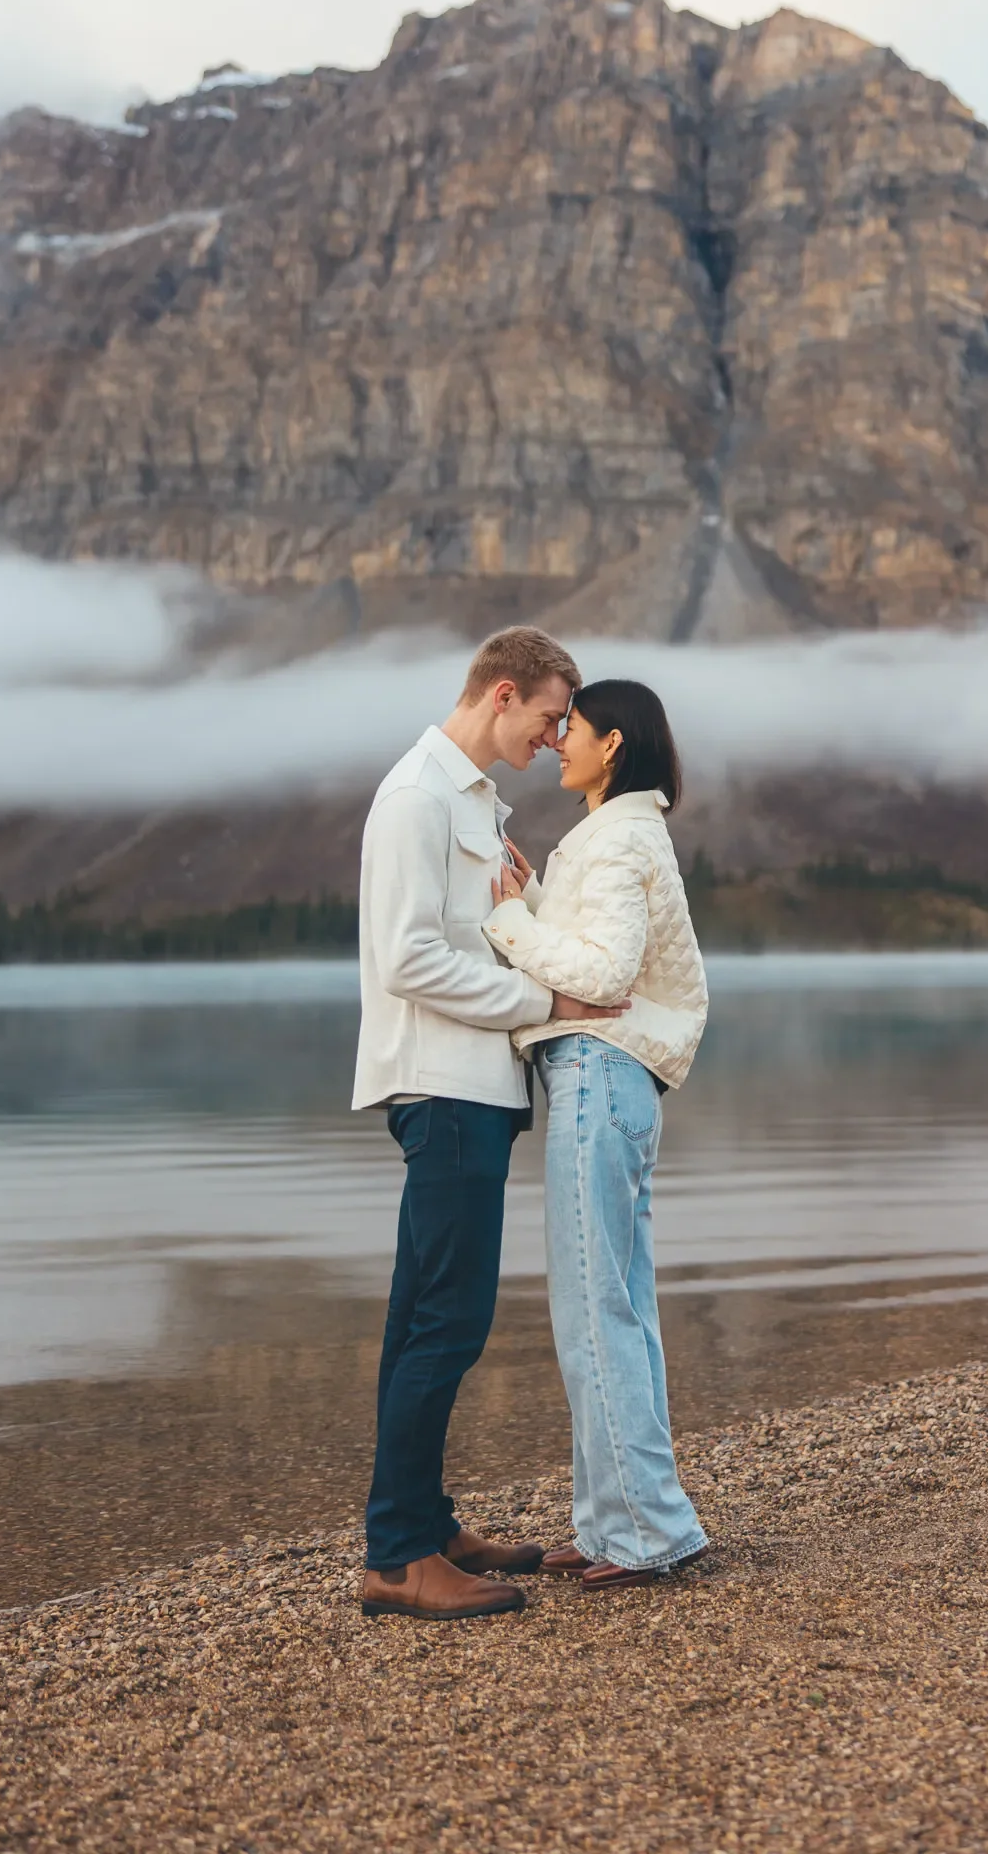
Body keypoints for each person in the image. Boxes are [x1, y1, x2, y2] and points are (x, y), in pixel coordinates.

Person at [355, 626, 630, 1622]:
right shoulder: (418, 798)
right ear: (503, 693)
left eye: (567, 721)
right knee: (449, 1320)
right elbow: (407, 959)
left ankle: (422, 1524)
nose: (558, 735)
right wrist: (547, 1009)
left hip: (471, 1085)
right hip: (444, 1087)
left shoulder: (470, 801)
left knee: (417, 1318)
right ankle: (395, 1556)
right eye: (552, 715)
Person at [482, 678, 709, 1592]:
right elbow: (592, 945)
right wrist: (536, 896)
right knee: (618, 1309)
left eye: (570, 727)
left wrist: (504, 922)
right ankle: (618, 1522)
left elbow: (607, 972)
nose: (558, 740)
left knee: (593, 1314)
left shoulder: (617, 838)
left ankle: (649, 1531)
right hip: (615, 1081)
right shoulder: (619, 833)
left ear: (612, 744)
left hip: (597, 1071)